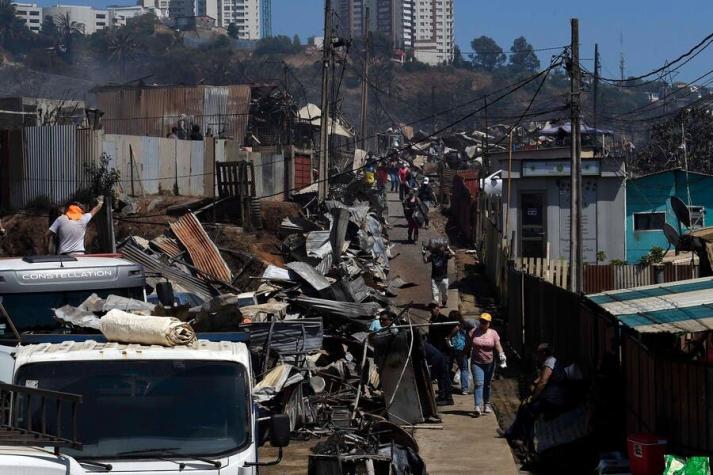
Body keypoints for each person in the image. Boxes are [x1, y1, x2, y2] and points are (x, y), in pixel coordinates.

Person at [500, 343, 567, 446]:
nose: (537, 355)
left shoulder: (549, 363)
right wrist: (533, 384)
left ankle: (525, 439)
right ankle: (511, 433)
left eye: (539, 352)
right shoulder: (550, 362)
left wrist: (534, 397)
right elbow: (540, 378)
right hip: (549, 397)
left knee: (528, 410)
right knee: (523, 407)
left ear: (544, 353)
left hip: (553, 399)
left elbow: (543, 382)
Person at [469, 312, 506, 417]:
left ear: (489, 323)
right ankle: (477, 406)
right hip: (476, 362)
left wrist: (501, 354)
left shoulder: (493, 333)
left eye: (485, 322)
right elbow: (468, 344)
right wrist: (463, 354)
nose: (483, 323)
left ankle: (486, 404)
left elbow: (498, 345)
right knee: (479, 384)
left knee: (487, 384)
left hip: (489, 362)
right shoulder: (474, 332)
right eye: (481, 321)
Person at [422, 241, 455, 307]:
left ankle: (444, 302)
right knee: (435, 295)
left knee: (445, 294)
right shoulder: (433, 256)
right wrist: (423, 254)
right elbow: (425, 261)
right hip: (434, 278)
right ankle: (435, 307)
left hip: (444, 278)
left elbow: (453, 254)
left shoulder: (445, 255)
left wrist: (448, 248)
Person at [448, 310, 472, 395]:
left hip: (452, 349)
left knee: (451, 368)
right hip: (462, 349)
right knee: (464, 369)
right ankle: (464, 389)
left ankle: (448, 386)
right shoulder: (464, 325)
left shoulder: (450, 325)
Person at [424, 339, 454, 406]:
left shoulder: (423, 346)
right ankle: (443, 396)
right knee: (442, 378)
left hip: (438, 360)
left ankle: (448, 399)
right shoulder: (425, 345)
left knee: (444, 378)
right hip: (438, 359)